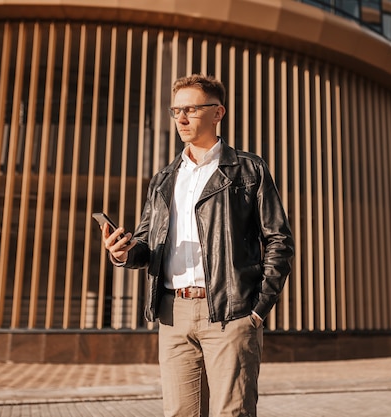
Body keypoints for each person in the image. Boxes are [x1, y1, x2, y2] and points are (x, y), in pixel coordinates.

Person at [101, 74, 294, 417]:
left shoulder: (248, 170)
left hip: (231, 314)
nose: (181, 119)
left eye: (190, 109)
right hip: (173, 314)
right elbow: (148, 244)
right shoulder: (164, 178)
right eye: (176, 111)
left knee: (232, 413)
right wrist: (125, 253)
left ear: (218, 113)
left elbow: (279, 240)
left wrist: (256, 311)